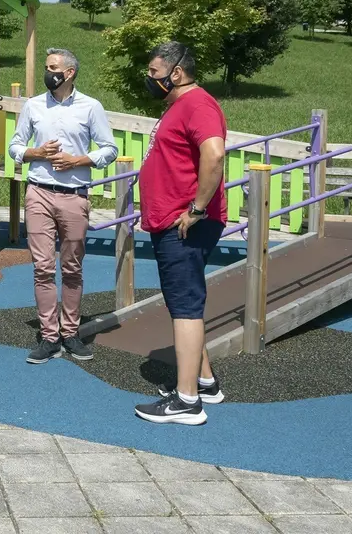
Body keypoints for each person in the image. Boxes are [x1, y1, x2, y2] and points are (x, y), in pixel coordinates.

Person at [133, 41, 227, 426]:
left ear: (176, 73)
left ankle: (187, 402)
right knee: (183, 301)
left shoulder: (199, 104)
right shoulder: (179, 106)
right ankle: (204, 382)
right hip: (171, 220)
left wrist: (197, 209)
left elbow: (215, 153)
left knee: (185, 307)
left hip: (185, 224)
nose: (150, 79)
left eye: (155, 73)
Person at [8, 48, 118, 364]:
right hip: (39, 193)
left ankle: (70, 333)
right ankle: (48, 336)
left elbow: (109, 150)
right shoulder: (33, 106)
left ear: (69, 73)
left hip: (74, 196)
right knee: (42, 268)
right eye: (46, 67)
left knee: (71, 267)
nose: (48, 72)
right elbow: (15, 146)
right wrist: (35, 153)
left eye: (53, 67)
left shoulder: (90, 107)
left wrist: (78, 160)